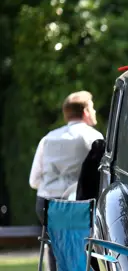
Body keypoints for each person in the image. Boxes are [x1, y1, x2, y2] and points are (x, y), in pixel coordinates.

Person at [29, 90, 104, 219]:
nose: (94, 112)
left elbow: (34, 181)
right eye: (92, 108)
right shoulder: (94, 138)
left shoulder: (47, 139)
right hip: (79, 206)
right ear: (85, 112)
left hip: (47, 206)